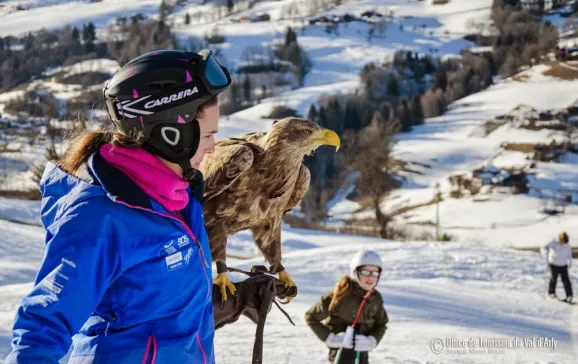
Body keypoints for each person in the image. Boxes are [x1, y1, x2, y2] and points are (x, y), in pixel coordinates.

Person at [6, 49, 236, 363]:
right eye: (208, 135)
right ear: (172, 132)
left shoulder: (175, 196)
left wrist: (224, 300)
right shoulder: (101, 216)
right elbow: (41, 328)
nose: (212, 148)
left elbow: (151, 301)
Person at [305, 250, 389, 364]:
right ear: (355, 272)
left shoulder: (375, 298)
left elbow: (381, 324)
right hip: (340, 352)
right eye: (365, 272)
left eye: (375, 273)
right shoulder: (340, 294)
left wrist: (372, 340)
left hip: (361, 352)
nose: (370, 277)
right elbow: (311, 316)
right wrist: (330, 338)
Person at [541, 232, 573, 303]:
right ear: (560, 239)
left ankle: (569, 296)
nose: (564, 243)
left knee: (566, 281)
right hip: (554, 264)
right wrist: (546, 254)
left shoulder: (567, 245)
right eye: (563, 241)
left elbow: (569, 254)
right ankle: (551, 293)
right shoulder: (553, 242)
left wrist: (570, 262)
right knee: (553, 279)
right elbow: (543, 248)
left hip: (563, 265)